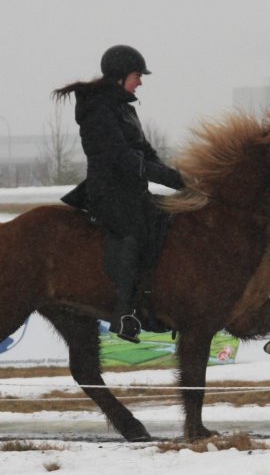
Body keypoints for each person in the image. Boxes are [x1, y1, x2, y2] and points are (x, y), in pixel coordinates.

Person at [53, 45, 185, 342]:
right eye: (138, 75)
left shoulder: (124, 107)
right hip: (107, 193)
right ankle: (124, 313)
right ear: (120, 76)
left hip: (132, 191)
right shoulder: (98, 108)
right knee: (133, 232)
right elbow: (122, 158)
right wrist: (170, 177)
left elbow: (146, 154)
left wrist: (182, 180)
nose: (140, 81)